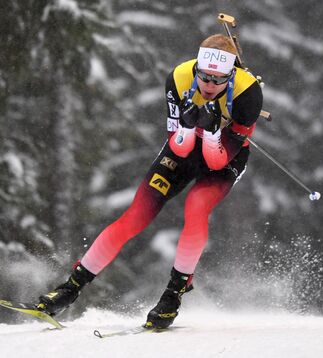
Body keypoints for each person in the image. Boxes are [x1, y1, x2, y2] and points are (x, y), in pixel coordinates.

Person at [37, 33, 263, 329]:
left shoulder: (248, 93)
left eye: (217, 80)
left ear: (230, 75)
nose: (209, 85)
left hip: (225, 157)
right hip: (184, 148)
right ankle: (69, 288)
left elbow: (217, 161)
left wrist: (209, 133)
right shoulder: (181, 77)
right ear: (196, 68)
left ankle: (173, 295)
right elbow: (177, 145)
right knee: (134, 216)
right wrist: (186, 126)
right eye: (204, 76)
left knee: (196, 208)